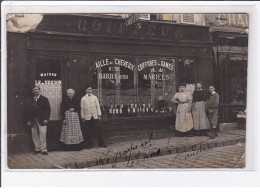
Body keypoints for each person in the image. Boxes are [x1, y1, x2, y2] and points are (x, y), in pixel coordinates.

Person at [27, 86, 51, 155]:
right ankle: (37, 149)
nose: (35, 91)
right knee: (34, 135)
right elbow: (27, 111)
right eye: (33, 90)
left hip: (42, 120)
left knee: (43, 135)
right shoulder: (30, 100)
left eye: (36, 89)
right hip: (33, 120)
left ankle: (44, 150)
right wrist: (29, 120)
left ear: (39, 90)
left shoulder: (44, 99)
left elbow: (48, 110)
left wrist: (46, 118)